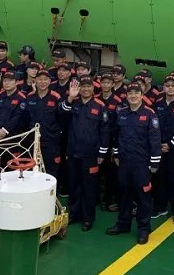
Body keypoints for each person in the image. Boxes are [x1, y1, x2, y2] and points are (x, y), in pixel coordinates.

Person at [106, 82, 162, 245]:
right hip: (124, 162)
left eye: (136, 93)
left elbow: (155, 140)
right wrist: (116, 154)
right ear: (126, 96)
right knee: (124, 195)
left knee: (143, 197)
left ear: (142, 95)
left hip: (142, 164)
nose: (133, 96)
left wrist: (154, 163)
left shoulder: (150, 114)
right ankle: (123, 224)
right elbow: (116, 136)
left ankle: (144, 228)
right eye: (130, 93)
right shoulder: (122, 113)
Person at [60, 76, 111, 231]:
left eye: (89, 86)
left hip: (91, 155)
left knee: (89, 187)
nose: (86, 89)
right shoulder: (73, 103)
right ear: (79, 88)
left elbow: (105, 130)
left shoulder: (100, 106)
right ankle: (74, 214)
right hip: (73, 153)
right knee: (73, 185)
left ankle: (88, 219)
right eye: (83, 86)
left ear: (93, 88)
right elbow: (61, 116)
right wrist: (70, 98)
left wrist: (102, 153)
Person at [152, 74, 174, 223]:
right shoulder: (158, 104)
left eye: (173, 85)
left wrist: (170, 144)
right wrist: (159, 144)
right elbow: (154, 125)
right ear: (163, 87)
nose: (170, 88)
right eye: (167, 85)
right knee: (159, 179)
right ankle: (160, 207)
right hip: (160, 148)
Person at [25, 70, 64, 179]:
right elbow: (26, 118)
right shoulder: (29, 97)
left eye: (45, 79)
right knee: (33, 168)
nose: (42, 82)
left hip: (51, 141)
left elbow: (62, 118)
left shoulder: (56, 97)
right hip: (33, 140)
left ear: (50, 81)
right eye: (40, 79)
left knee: (51, 169)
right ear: (35, 81)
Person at [98, 73, 122, 212]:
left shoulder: (118, 102)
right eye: (103, 82)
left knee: (111, 173)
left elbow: (119, 124)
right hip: (98, 141)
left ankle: (109, 199)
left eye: (108, 82)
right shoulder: (96, 99)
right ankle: (98, 198)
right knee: (97, 172)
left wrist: (115, 146)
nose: (106, 85)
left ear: (113, 84)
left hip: (112, 143)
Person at [51, 61, 75, 197]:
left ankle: (65, 186)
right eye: (59, 70)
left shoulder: (73, 87)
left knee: (66, 158)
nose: (61, 73)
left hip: (68, 126)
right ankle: (55, 182)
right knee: (54, 156)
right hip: (53, 126)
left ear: (69, 73)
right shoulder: (52, 85)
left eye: (64, 70)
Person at [0, 72, 27, 140]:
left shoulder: (22, 98)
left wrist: (4, 132)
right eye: (5, 80)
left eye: (10, 80)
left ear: (16, 82)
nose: (7, 83)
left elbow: (17, 119)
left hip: (12, 137)